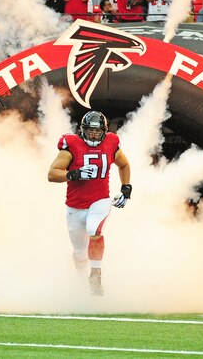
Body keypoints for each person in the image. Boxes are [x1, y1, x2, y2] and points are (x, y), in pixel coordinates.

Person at [47, 111, 132, 296]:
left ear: (104, 131)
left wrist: (126, 188)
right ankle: (80, 284)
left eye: (97, 131)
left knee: (95, 230)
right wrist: (73, 174)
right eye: (90, 131)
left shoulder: (111, 142)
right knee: (79, 252)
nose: (93, 135)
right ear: (82, 130)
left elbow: (124, 164)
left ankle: (96, 274)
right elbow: (52, 174)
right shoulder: (71, 145)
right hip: (75, 206)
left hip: (100, 201)